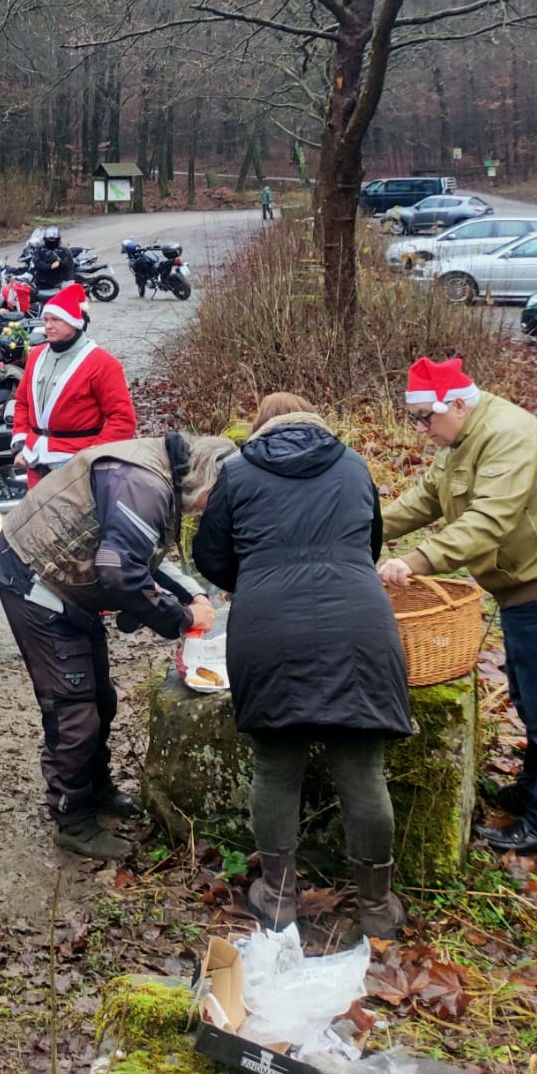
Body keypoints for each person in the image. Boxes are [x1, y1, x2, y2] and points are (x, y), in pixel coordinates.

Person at [192, 394, 412, 938]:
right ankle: (378, 905)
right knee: (362, 768)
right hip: (359, 622)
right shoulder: (355, 464)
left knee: (275, 766)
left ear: (261, 429)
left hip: (269, 627)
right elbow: (370, 543)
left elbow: (210, 557)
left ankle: (279, 894)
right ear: (318, 421)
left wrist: (259, 576)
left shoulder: (237, 472)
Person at [378, 358, 537, 863]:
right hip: (526, 591)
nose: (421, 430)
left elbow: (488, 521)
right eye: (415, 419)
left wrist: (416, 561)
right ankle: (531, 793)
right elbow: (425, 499)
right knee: (530, 699)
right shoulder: (460, 440)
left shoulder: (508, 436)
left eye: (426, 419)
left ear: (458, 404)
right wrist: (362, 524)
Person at [0, 432, 235, 859]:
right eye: (215, 501)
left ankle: (97, 790)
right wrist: (183, 618)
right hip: (36, 581)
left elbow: (142, 553)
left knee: (101, 699)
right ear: (205, 481)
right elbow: (118, 574)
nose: (209, 511)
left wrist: (193, 593)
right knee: (73, 711)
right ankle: (72, 820)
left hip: (68, 585)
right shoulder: (146, 485)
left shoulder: (161, 473)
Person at [13, 283, 137, 485]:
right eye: (46, 319)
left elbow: (123, 420)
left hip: (77, 464)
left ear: (75, 322)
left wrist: (93, 456)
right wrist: (22, 443)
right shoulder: (36, 355)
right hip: (35, 462)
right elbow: (22, 403)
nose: (48, 326)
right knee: (37, 516)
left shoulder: (103, 363)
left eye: (56, 320)